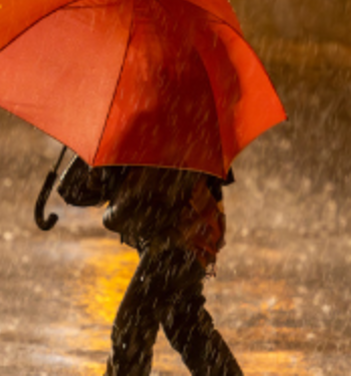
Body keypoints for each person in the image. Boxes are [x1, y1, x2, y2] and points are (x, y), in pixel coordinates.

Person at [58, 155, 243, 376]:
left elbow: (153, 196)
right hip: (180, 238)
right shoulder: (132, 137)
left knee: (132, 328)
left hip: (181, 236)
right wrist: (87, 154)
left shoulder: (170, 137)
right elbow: (79, 191)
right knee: (185, 325)